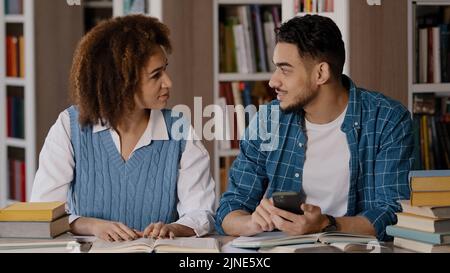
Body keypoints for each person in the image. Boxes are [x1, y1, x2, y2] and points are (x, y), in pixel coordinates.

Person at [216, 15, 414, 241]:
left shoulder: (387, 119)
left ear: (321, 73)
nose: (273, 81)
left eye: (285, 69)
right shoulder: (268, 120)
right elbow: (228, 209)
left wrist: (327, 224)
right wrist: (251, 222)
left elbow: (393, 213)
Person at [31, 15, 215, 242]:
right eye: (155, 75)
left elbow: (201, 212)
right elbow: (43, 210)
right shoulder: (69, 127)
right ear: (120, 81)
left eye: (164, 70)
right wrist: (92, 225)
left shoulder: (179, 129)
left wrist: (174, 228)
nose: (168, 82)